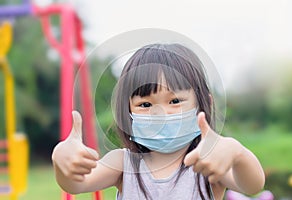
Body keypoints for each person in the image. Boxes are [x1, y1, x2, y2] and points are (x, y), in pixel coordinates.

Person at [52, 43, 265, 200]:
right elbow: (76, 184)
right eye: (145, 105)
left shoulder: (208, 163)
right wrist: (62, 160)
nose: (160, 115)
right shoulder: (122, 163)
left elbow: (252, 185)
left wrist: (237, 154)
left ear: (203, 105)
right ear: (127, 111)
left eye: (174, 101)